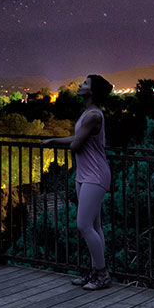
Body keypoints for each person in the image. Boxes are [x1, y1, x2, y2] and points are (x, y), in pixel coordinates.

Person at [42, 74, 114, 290]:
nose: (80, 85)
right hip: (84, 174)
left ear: (91, 91)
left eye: (85, 83)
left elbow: (76, 144)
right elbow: (77, 139)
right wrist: (54, 140)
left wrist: (69, 142)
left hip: (96, 175)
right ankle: (95, 271)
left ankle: (102, 274)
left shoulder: (94, 116)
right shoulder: (87, 113)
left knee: (83, 225)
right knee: (95, 226)